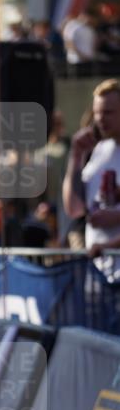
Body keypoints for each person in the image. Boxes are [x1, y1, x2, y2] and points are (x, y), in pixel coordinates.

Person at [63, 78, 120, 277]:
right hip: (99, 274)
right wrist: (76, 155)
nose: (100, 119)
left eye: (108, 112)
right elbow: (74, 209)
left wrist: (109, 244)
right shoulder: (99, 149)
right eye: (97, 113)